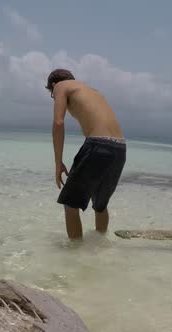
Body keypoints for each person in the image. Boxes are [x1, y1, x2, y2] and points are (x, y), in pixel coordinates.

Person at [46, 68, 126, 240]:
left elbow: (58, 123)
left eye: (52, 95)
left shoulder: (60, 86)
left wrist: (58, 163)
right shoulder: (92, 91)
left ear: (53, 85)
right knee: (100, 205)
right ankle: (99, 248)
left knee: (70, 204)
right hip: (120, 148)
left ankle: (75, 257)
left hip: (98, 145)